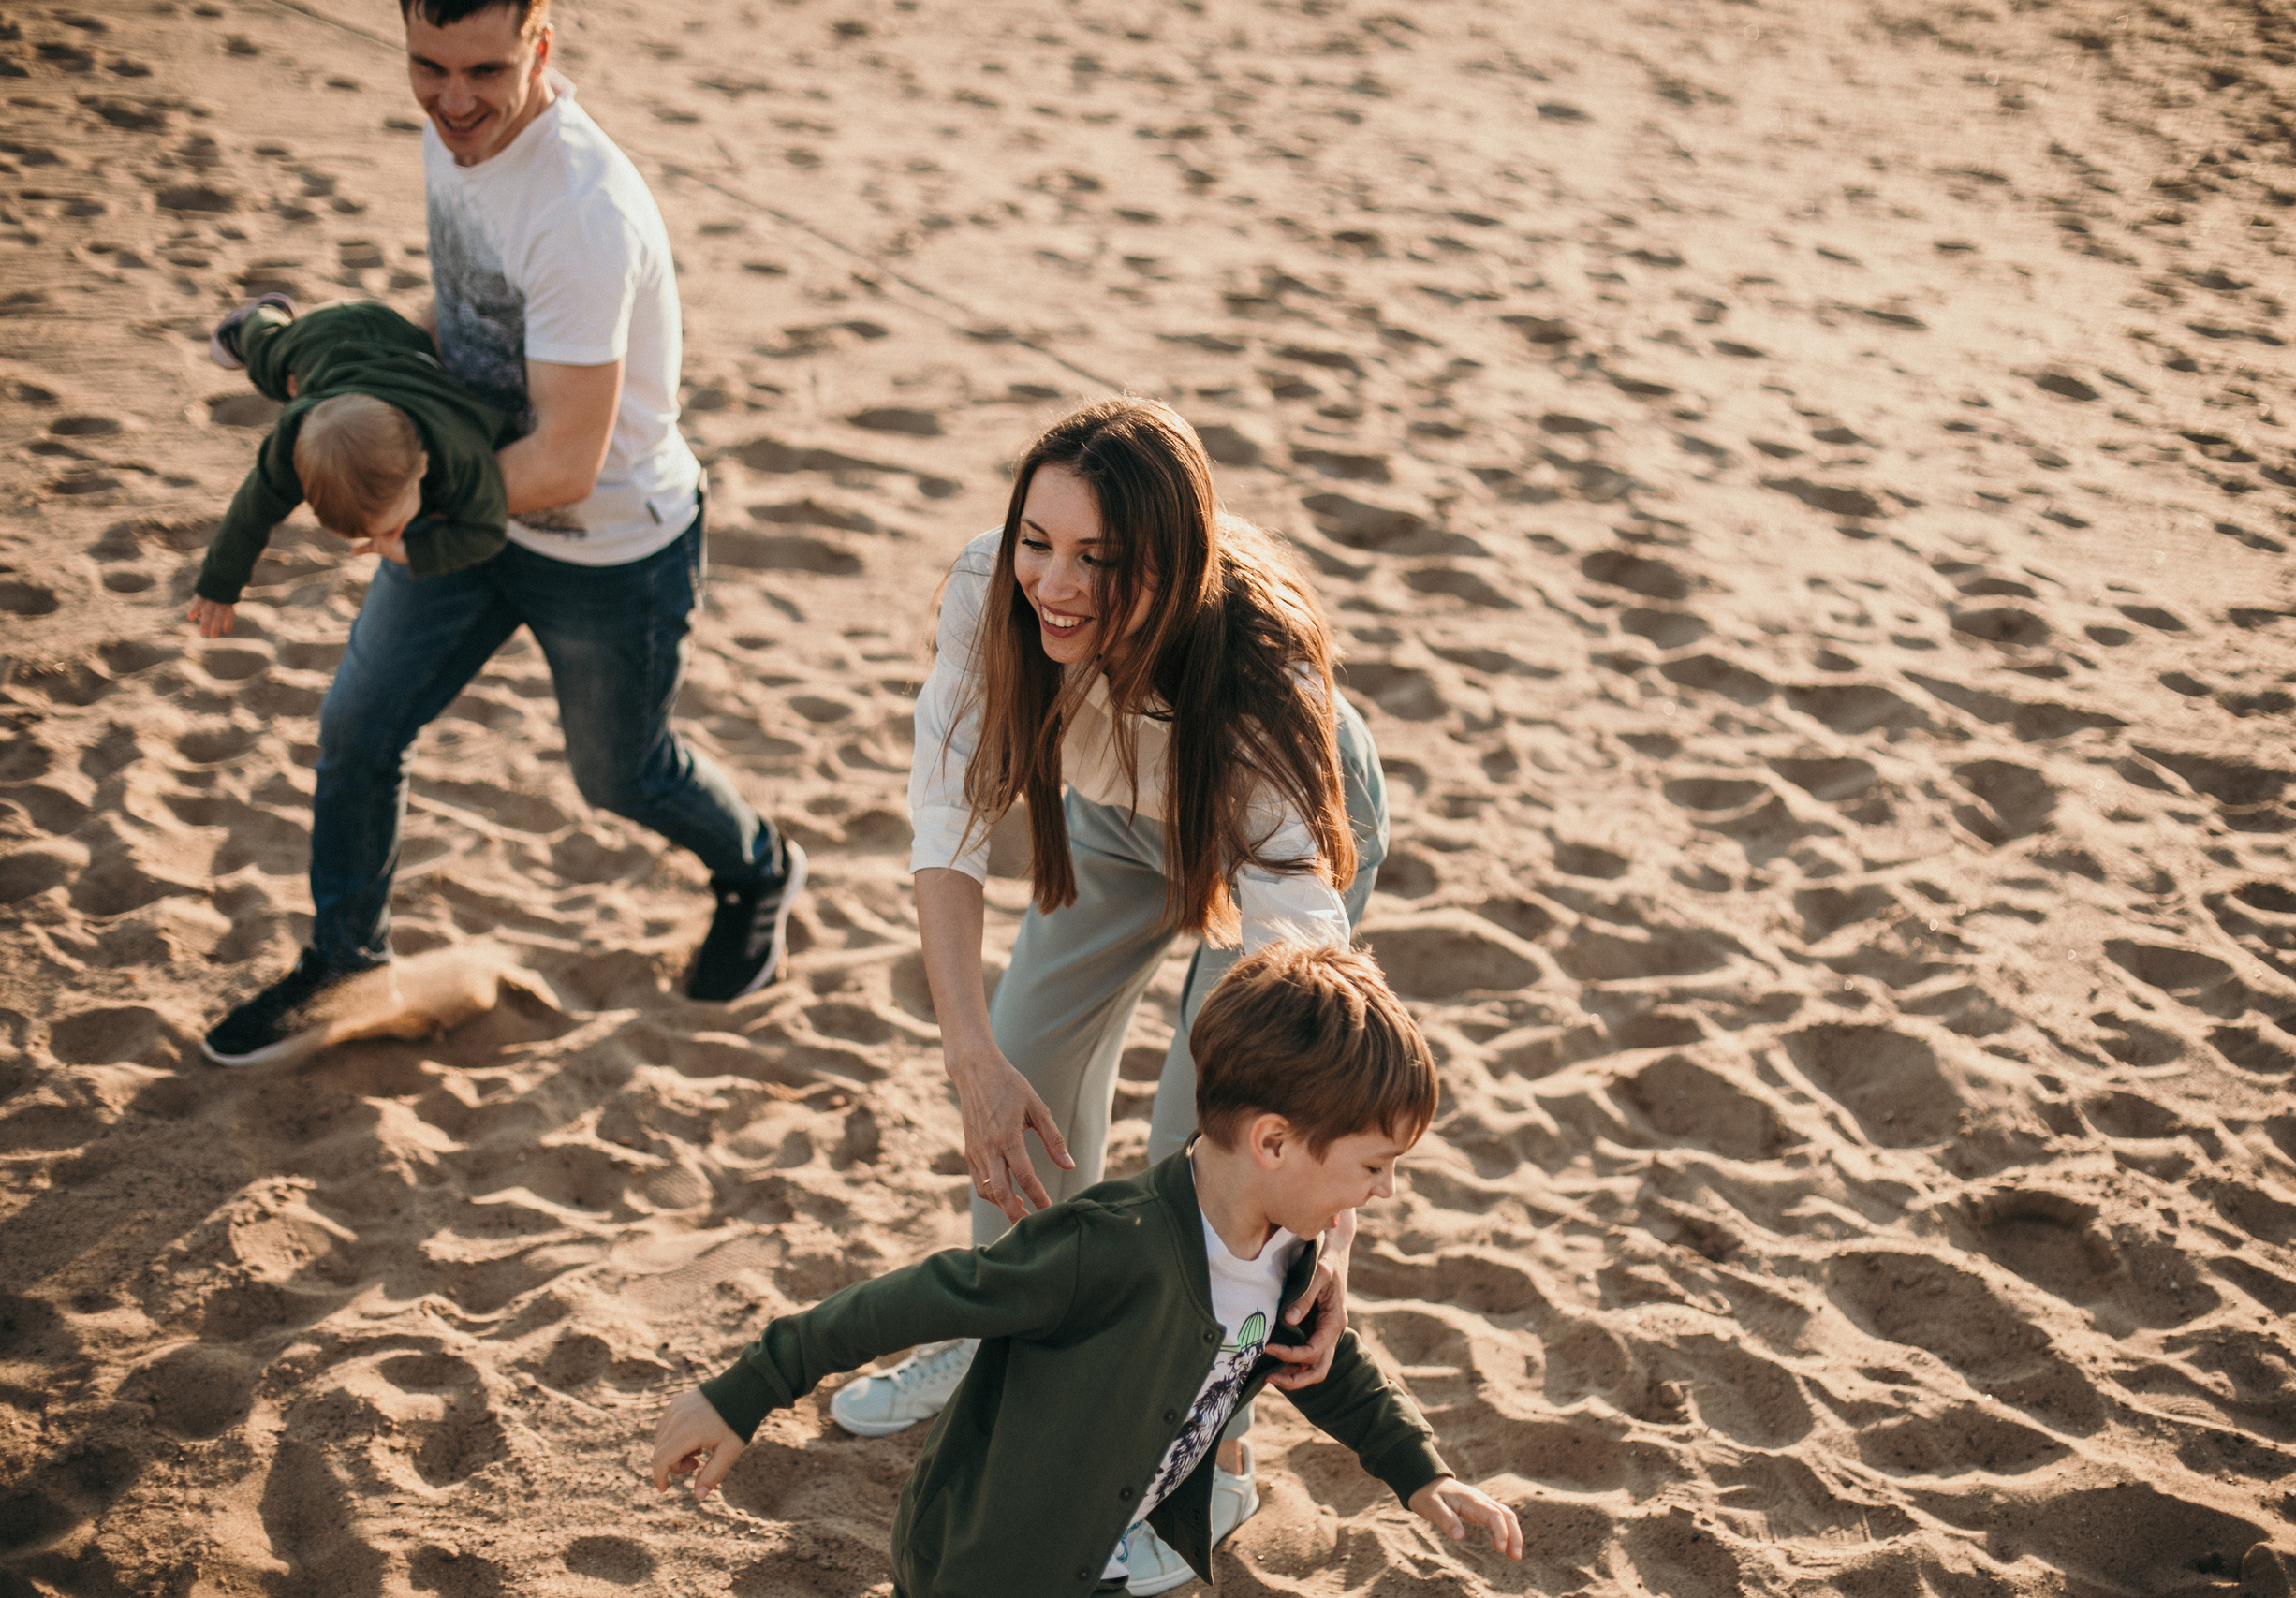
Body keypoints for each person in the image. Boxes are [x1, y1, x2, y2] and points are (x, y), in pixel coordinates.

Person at [833, 397, 1390, 1587]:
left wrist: (1325, 1240)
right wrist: (972, 1061)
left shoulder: (1261, 696)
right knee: (1025, 1053)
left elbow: (1317, 1032)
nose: (1056, 584)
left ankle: (1210, 1459)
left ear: (1174, 568)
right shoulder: (989, 589)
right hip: (1115, 816)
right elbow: (948, 832)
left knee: (1206, 1141)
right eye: (1041, 540)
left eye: (1101, 560)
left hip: (1249, 814)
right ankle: (1007, 1343)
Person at [199, 0, 799, 1068]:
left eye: (483, 70)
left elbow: (567, 458)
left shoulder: (580, 212)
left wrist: (405, 520)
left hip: (609, 546)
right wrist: (354, 359)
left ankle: (758, 870)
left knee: (620, 776)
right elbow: (469, 313)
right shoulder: (458, 135)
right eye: (428, 68)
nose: (453, 100)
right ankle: (345, 959)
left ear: (542, 47)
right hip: (465, 510)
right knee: (358, 725)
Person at [651, 943, 1522, 1598]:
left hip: (1103, 1548)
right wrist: (751, 1386)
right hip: (986, 1564)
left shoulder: (1287, 1247)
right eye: (1375, 1165)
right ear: (1273, 1141)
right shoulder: (1104, 1248)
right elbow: (914, 1300)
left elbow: (1324, 1366)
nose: (1389, 1190)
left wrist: (1420, 1471)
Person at [185, 293, 515, 641]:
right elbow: (253, 509)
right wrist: (218, 583)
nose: (390, 537)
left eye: (395, 525)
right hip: (321, 347)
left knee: (274, 363)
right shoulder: (290, 446)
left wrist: (411, 550)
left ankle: (257, 322)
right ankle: (257, 322)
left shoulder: (459, 447)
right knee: (275, 368)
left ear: (422, 465)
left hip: (380, 333)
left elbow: (488, 532)